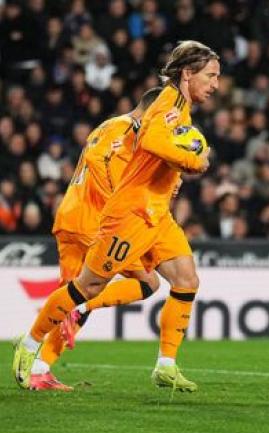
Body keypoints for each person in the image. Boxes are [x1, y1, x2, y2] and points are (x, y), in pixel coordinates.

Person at [12, 40, 218, 392]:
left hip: (149, 215)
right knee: (83, 291)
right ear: (187, 74)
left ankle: (165, 364)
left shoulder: (179, 110)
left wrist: (172, 179)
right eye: (211, 76)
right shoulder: (141, 118)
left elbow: (154, 155)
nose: (215, 85)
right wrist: (190, 161)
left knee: (176, 280)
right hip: (102, 218)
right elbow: (134, 151)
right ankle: (31, 349)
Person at [19, 88, 164, 391]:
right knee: (148, 282)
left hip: (72, 219)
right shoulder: (122, 128)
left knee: (71, 296)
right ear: (150, 111)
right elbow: (102, 162)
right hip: (93, 224)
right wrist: (124, 199)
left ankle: (40, 371)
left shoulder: (109, 126)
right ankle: (79, 312)